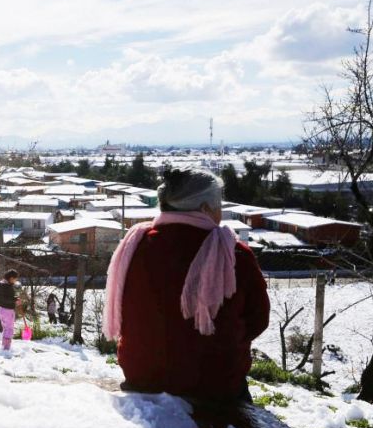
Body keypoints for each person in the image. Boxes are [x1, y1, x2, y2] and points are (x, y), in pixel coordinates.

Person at [103, 167, 270, 403]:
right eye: (218, 205)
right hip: (213, 383)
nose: (221, 212)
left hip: (143, 376)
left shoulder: (135, 247)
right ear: (204, 209)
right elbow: (258, 320)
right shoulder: (232, 254)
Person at [0, 269, 21, 351]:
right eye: (15, 278)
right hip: (7, 310)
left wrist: (15, 298)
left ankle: (4, 346)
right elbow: (6, 298)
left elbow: (4, 297)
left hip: (1, 309)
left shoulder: (0, 284)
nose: (16, 280)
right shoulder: (7, 286)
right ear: (11, 278)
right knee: (9, 329)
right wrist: (15, 300)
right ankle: (6, 348)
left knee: (6, 328)